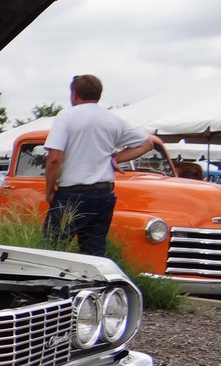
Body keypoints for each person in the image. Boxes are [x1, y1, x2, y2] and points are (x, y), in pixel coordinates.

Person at [43, 74, 154, 256]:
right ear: (98, 95)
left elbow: (54, 158)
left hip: (72, 192)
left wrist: (49, 191)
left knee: (53, 248)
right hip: (103, 192)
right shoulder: (113, 119)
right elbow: (147, 144)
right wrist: (116, 158)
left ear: (74, 94)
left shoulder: (66, 116)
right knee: (94, 251)